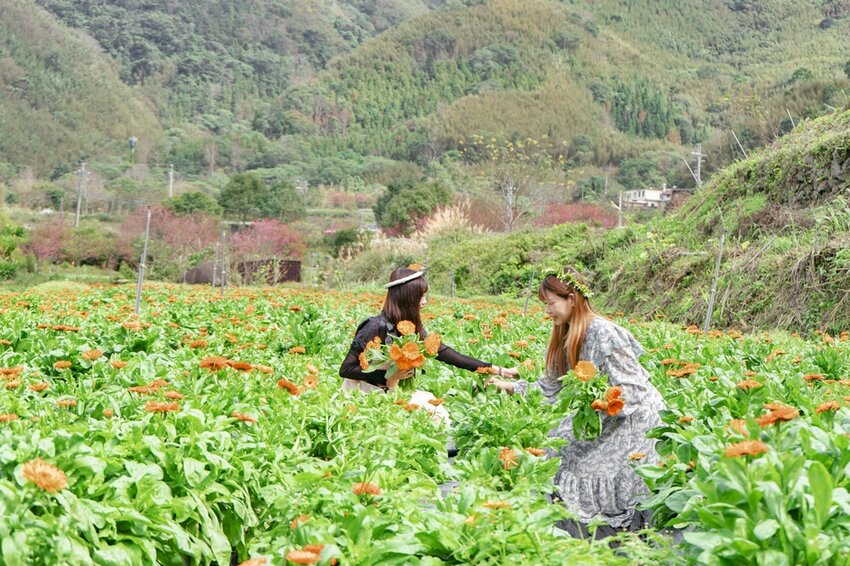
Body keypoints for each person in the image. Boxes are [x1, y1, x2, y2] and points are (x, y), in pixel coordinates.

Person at [487, 266, 665, 538]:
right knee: (559, 444)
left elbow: (634, 388)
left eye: (550, 304)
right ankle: (579, 529)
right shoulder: (568, 334)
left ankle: (619, 535)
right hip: (601, 413)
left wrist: (602, 402)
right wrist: (510, 386)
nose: (547, 311)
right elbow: (551, 387)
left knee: (582, 460)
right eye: (545, 304)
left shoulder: (604, 332)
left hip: (634, 420)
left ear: (571, 299)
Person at [339, 266, 514, 423]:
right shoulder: (374, 326)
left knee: (436, 411)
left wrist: (495, 369)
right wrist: (388, 377)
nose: (424, 302)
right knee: (433, 415)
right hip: (364, 398)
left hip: (389, 392)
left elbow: (445, 353)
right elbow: (345, 369)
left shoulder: (409, 328)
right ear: (406, 298)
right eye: (420, 297)